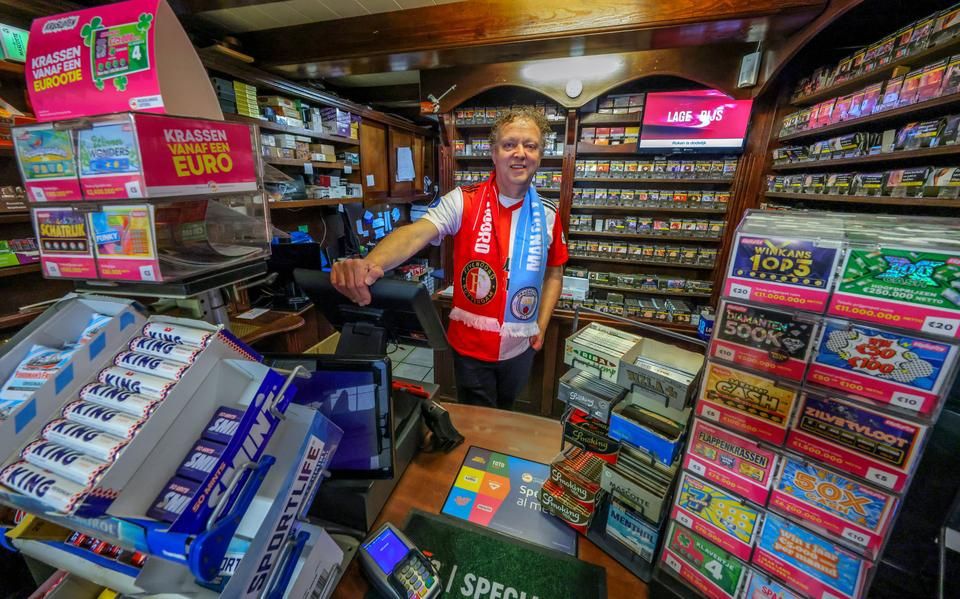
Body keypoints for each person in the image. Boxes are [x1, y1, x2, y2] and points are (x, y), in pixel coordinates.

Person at [331, 106, 568, 409]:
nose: (519, 153)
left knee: (508, 416)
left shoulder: (548, 214)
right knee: (477, 423)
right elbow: (417, 233)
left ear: (540, 155)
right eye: (509, 144)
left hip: (520, 346)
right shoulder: (463, 199)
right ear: (494, 153)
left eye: (530, 145)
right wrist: (369, 264)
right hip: (470, 348)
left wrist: (542, 325)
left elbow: (554, 274)